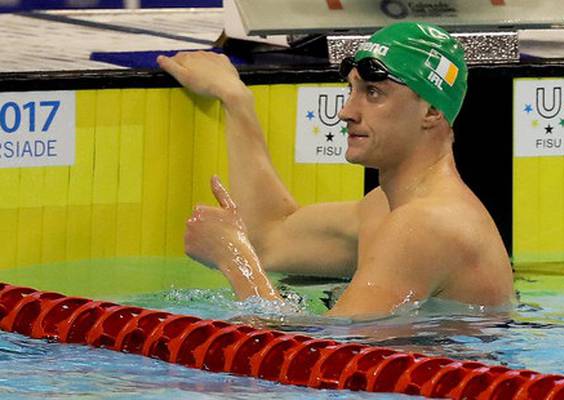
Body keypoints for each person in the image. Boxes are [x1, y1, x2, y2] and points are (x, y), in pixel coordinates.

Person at [157, 22, 514, 319]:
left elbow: (317, 358)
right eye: (351, 89)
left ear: (432, 112)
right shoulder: (386, 207)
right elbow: (270, 238)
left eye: (373, 93)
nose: (347, 112)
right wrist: (235, 100)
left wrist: (236, 262)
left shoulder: (426, 224)